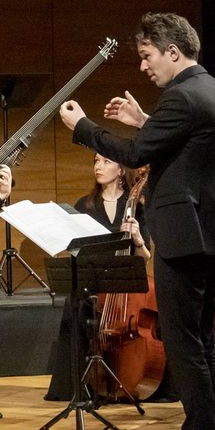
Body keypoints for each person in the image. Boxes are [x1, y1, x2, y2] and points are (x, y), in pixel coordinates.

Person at [59, 11, 215, 430]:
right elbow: (184, 147)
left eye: (146, 56)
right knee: (201, 345)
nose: (142, 67)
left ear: (172, 52)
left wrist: (83, 128)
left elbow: (138, 155)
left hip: (186, 239)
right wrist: (144, 118)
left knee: (185, 346)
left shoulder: (182, 97)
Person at [44, 154, 153, 402]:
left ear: (120, 168)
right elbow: (76, 251)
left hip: (124, 283)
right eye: (95, 161)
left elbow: (145, 256)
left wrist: (136, 239)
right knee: (75, 305)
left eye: (105, 161)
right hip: (93, 281)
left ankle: (133, 375)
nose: (98, 166)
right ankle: (77, 385)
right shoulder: (85, 205)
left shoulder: (137, 204)